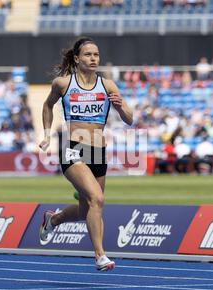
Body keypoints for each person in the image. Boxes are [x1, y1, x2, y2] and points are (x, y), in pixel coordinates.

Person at [38, 37, 133, 271]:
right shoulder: (63, 84)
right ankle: (100, 255)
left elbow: (130, 119)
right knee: (97, 199)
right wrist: (47, 134)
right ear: (77, 58)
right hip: (73, 149)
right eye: (88, 54)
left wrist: (120, 106)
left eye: (96, 55)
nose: (93, 59)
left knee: (86, 210)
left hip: (98, 152)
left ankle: (53, 219)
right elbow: (48, 105)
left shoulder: (108, 85)